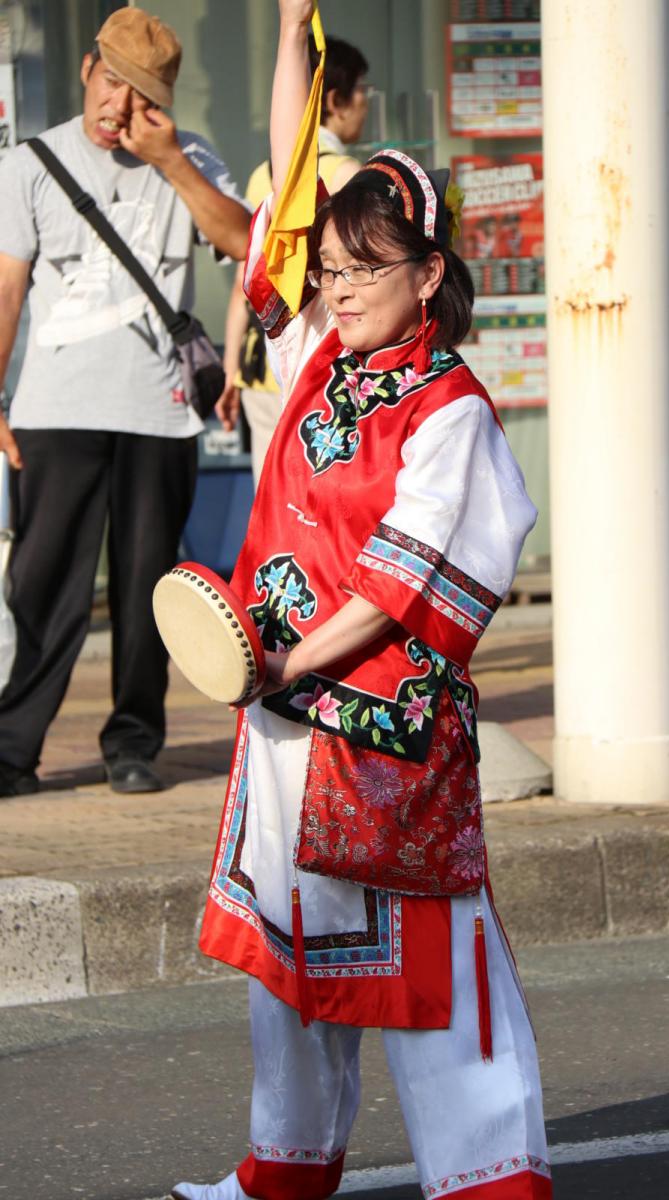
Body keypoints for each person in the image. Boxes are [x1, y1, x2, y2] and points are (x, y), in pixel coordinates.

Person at [171, 3, 550, 1199]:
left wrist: (287, 666)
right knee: (286, 960)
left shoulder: (451, 416)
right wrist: (293, 37)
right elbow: (287, 198)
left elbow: (404, 583)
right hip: (289, 724)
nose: (330, 287)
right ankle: (283, 1169)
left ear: (429, 273)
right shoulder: (319, 361)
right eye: (327, 270)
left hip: (380, 733)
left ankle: (494, 1177)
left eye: (360, 270)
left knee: (439, 968)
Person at [0, 8, 251, 797]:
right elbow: (6, 288)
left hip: (161, 411)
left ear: (164, 99)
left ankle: (134, 744)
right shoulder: (30, 165)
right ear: (85, 69)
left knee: (150, 591)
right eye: (111, 83)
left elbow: (246, 243)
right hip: (54, 409)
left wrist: (171, 159)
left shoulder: (190, 157)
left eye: (139, 93)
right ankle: (11, 749)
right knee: (42, 587)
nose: (118, 106)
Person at [217, 34, 369, 483]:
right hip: (321, 362)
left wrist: (231, 368)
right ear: (337, 100)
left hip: (258, 364)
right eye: (362, 91)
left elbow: (245, 277)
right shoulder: (346, 174)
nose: (365, 103)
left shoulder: (261, 176)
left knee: (269, 493)